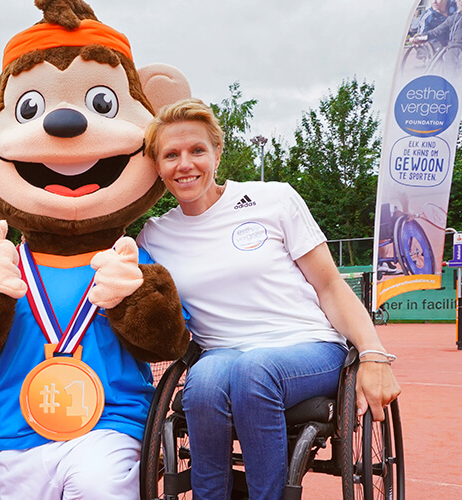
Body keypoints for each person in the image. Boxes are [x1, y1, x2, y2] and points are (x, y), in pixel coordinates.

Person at [136, 99, 401, 500]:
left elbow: (330, 285)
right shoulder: (155, 236)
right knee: (202, 383)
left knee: (254, 370)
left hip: (309, 347)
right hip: (221, 354)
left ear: (217, 153)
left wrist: (373, 355)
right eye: (171, 155)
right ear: (157, 166)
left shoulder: (274, 200)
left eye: (197, 150)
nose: (185, 164)